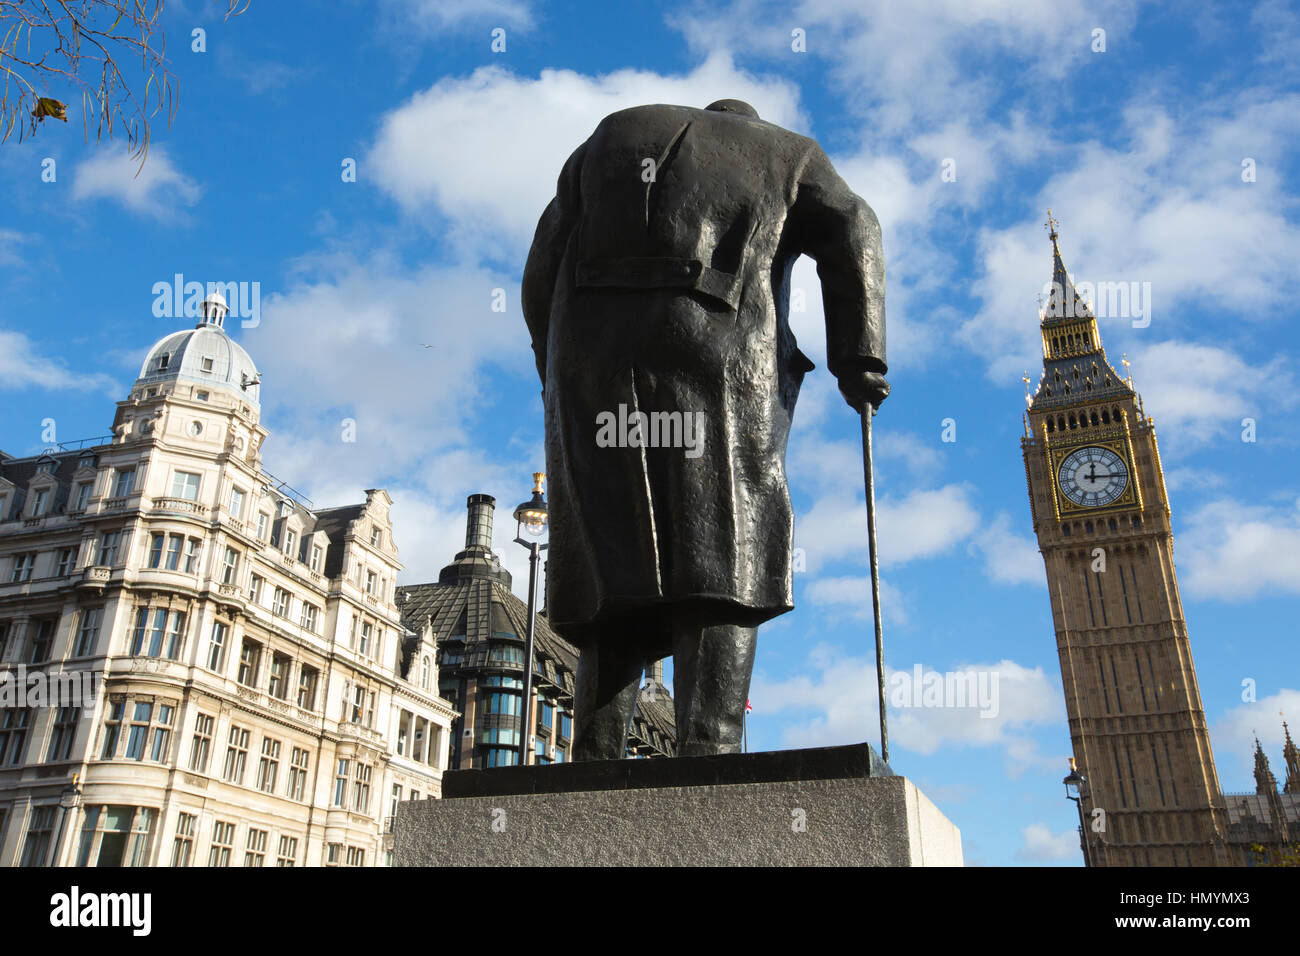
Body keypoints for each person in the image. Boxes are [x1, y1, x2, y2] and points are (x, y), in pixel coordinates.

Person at [522, 99, 888, 759]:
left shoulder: (604, 139)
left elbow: (540, 267)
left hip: (589, 361)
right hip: (718, 357)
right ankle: (709, 744)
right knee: (725, 535)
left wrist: (554, 366)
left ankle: (596, 749)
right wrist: (859, 358)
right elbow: (854, 224)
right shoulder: (787, 152)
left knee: (609, 549)